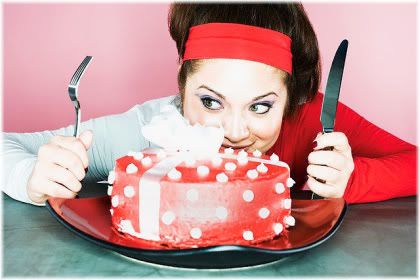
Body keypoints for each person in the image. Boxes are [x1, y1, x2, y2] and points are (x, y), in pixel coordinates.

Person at [2, 3, 416, 206]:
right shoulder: (146, 130)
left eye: (260, 107)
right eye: (210, 102)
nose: (235, 131)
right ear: (181, 89)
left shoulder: (313, 119)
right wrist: (31, 178)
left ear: (291, 98)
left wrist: (352, 179)